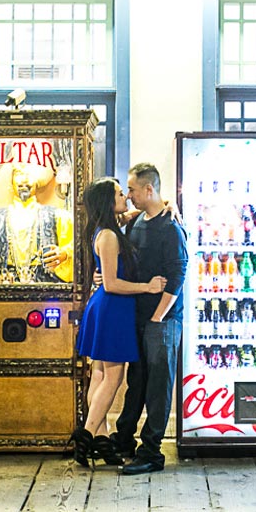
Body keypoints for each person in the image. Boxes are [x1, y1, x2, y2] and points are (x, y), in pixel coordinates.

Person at [71, 177, 166, 467]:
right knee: (113, 377)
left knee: (98, 376)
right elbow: (112, 284)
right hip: (113, 307)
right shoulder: (109, 236)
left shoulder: (107, 228)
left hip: (104, 307)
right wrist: (147, 287)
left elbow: (135, 212)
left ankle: (102, 439)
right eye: (118, 193)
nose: (124, 195)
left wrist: (167, 203)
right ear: (107, 201)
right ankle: (85, 437)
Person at [111, 162, 188, 475]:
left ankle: (152, 452)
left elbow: (177, 274)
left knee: (158, 386)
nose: (128, 196)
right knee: (137, 381)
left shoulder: (171, 228)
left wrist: (157, 317)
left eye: (131, 189)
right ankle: (125, 440)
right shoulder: (137, 221)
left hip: (162, 321)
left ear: (148, 189)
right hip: (140, 316)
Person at [0, 163, 74, 284]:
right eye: (19, 174)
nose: (24, 180)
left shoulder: (60, 218)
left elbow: (76, 253)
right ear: (11, 182)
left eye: (29, 175)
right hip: (2, 293)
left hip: (48, 293)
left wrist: (65, 255)